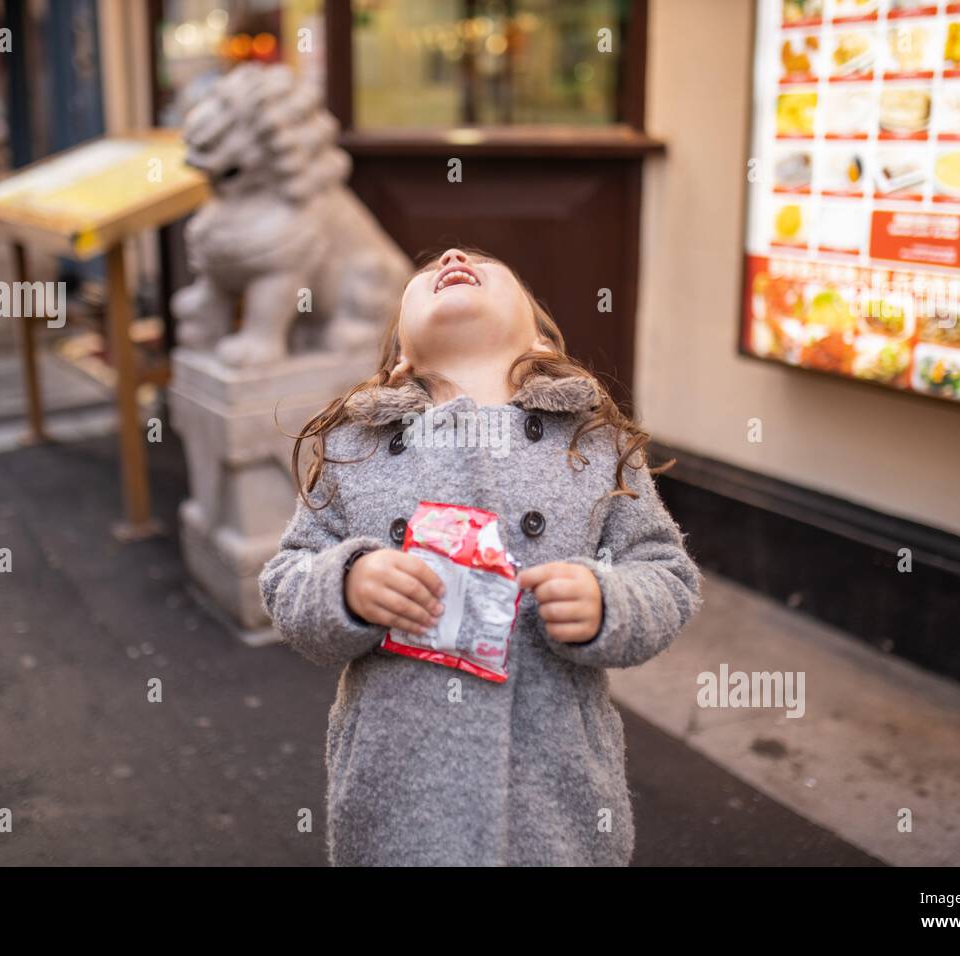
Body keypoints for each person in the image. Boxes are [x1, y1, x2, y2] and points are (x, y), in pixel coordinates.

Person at [259, 247, 703, 865]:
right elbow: (286, 577)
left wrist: (610, 600)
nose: (453, 255)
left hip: (554, 788)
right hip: (398, 788)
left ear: (543, 343)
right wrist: (347, 584)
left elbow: (666, 573)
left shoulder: (594, 445)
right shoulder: (353, 449)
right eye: (424, 275)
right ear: (400, 359)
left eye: (491, 266)